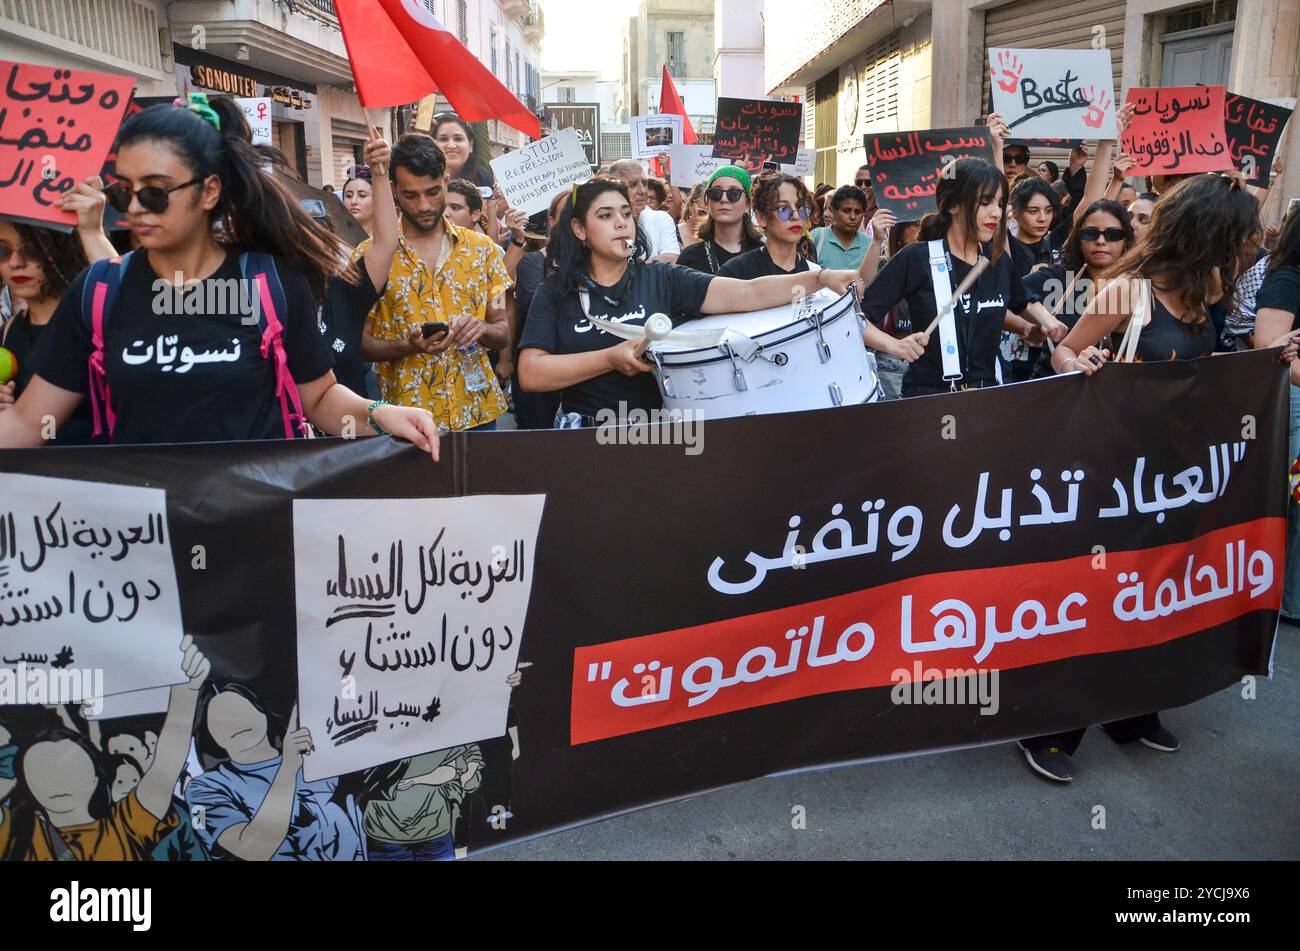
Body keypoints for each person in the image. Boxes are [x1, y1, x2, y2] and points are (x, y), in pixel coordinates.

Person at [1035, 174, 1299, 781]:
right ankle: (1051, 726)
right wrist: (1082, 363)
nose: (1246, 252)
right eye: (1237, 240)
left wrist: (1272, 357)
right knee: (1100, 597)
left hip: (1176, 472)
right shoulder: (1126, 292)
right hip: (1112, 475)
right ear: (1207, 237)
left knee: (1155, 595)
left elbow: (1203, 370)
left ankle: (1130, 710)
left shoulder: (1207, 290)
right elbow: (1063, 354)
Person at [0, 95, 438, 456]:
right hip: (144, 542)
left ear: (209, 190)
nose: (133, 209)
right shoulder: (97, 293)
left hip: (255, 535)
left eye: (154, 193)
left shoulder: (269, 286)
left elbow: (320, 399)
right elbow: (28, 423)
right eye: (124, 192)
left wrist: (379, 414)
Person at [516, 178, 869, 425]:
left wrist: (819, 278)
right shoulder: (556, 291)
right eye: (605, 216)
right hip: (589, 437)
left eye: (626, 213)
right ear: (579, 230)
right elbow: (531, 373)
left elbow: (747, 293)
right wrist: (609, 358)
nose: (621, 224)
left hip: (661, 435)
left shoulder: (663, 278)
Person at [859, 158, 1065, 396]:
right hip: (929, 399)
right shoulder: (916, 258)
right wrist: (894, 345)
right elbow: (858, 319)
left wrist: (1045, 322)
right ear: (953, 205)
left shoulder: (996, 260)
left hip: (988, 395)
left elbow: (1023, 300)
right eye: (985, 202)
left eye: (1000, 204)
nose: (996, 213)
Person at [2, 636, 210, 860]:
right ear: (26, 783)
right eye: (42, 773)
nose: (57, 782)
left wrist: (186, 692)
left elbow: (166, 765)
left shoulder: (126, 823)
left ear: (95, 778)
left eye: (70, 770)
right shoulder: (14, 833)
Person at [361, 133, 512, 432]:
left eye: (432, 192)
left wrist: (481, 329)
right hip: (407, 421)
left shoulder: (481, 250)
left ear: (445, 180)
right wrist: (407, 345)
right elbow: (359, 344)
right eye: (410, 195)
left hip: (477, 415)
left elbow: (502, 331)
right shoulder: (371, 257)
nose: (424, 205)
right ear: (393, 190)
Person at [187, 688, 364, 861]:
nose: (235, 722)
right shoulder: (201, 789)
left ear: (263, 712)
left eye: (241, 711)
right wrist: (288, 767)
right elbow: (252, 851)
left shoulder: (318, 763)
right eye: (220, 722)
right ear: (211, 734)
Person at [0, 223, 98, 444]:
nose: (16, 263)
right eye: (2, 251)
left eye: (32, 250)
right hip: (25, 472)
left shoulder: (96, 322)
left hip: (97, 470)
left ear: (62, 250)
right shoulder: (9, 329)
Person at [1249, 205, 1300, 619]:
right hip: (1293, 402)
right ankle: (1278, 599)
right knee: (1291, 500)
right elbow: (1271, 348)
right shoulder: (1287, 279)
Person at [1024, 199, 1134, 379]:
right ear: (1078, 238)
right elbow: (1004, 295)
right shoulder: (1056, 278)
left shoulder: (1140, 286)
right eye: (1090, 233)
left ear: (1126, 239)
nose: (1100, 241)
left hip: (1114, 397)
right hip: (1054, 393)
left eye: (1113, 234)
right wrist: (1027, 325)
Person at [511, 190, 569, 429]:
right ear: (551, 221)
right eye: (566, 214)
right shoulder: (532, 263)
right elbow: (546, 313)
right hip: (541, 382)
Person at [675, 166, 763, 274]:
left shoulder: (763, 255)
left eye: (734, 193)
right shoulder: (690, 257)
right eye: (716, 193)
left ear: (748, 204)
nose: (723, 199)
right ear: (708, 201)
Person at [609, 159, 680, 261]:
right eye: (633, 184)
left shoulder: (661, 219)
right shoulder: (604, 223)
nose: (642, 190)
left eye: (644, 183)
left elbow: (671, 258)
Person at [810, 185, 876, 271]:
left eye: (857, 212)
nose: (853, 217)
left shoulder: (869, 244)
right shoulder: (817, 237)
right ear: (833, 211)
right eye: (846, 211)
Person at [432, 114, 493, 188]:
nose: (451, 146)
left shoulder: (485, 180)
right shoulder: (419, 177)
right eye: (443, 139)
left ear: (471, 145)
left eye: (458, 139)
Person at [342, 166, 374, 234]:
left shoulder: (391, 237)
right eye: (349, 196)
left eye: (362, 195)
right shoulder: (334, 238)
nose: (353, 202)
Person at [678, 182, 708, 250]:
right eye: (702, 212)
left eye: (712, 215)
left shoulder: (721, 237)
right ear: (691, 205)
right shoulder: (675, 233)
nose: (707, 218)